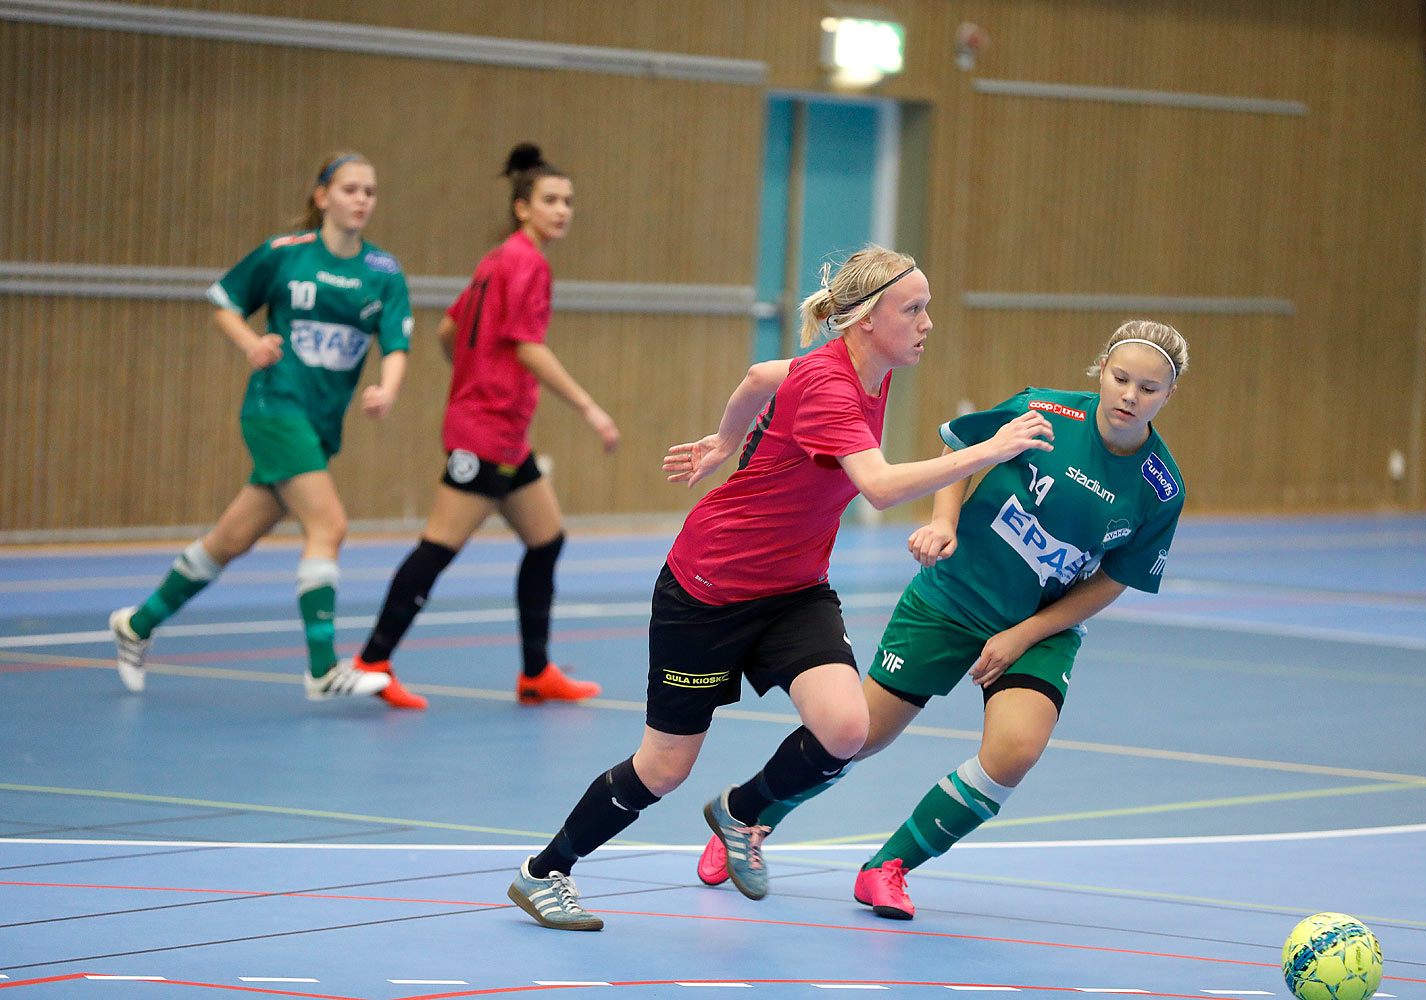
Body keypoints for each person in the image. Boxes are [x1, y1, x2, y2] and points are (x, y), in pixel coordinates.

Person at [505, 245, 1058, 931]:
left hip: (794, 588)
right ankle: (545, 871)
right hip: (709, 588)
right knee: (664, 766)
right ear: (864, 322)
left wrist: (725, 439)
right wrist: (993, 449)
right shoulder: (831, 386)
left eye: (928, 307)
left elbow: (759, 373)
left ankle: (741, 813)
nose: (927, 322)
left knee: (846, 727)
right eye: (913, 308)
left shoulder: (869, 368)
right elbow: (880, 489)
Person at [693, 319, 1190, 920]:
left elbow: (1114, 577)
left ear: (1168, 396)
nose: (1130, 396)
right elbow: (961, 447)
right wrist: (945, 523)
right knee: (855, 737)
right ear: (1102, 371)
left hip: (1039, 626)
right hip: (949, 600)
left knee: (1014, 752)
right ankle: (748, 817)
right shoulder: (1045, 413)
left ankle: (888, 867)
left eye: (1149, 389)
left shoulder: (1161, 488)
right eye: (1121, 379)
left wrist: (1024, 634)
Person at [108, 152, 412, 701]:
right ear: (322, 196)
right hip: (275, 408)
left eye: (369, 190)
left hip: (319, 423)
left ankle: (137, 624)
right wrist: (251, 343)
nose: (361, 199)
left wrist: (387, 388)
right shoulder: (283, 255)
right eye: (349, 189)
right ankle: (322, 670)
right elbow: (224, 301)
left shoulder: (383, 273)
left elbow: (396, 343)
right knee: (330, 525)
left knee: (232, 538)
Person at [347, 143, 618, 710]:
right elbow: (525, 346)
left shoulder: (495, 260)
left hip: (501, 431)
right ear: (523, 207)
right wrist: (588, 407)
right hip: (485, 433)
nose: (563, 210)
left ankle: (536, 672)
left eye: (569, 201)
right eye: (550, 200)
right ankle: (372, 660)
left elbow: (449, 331)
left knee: (546, 540)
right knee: (439, 546)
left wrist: (475, 377)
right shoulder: (527, 263)